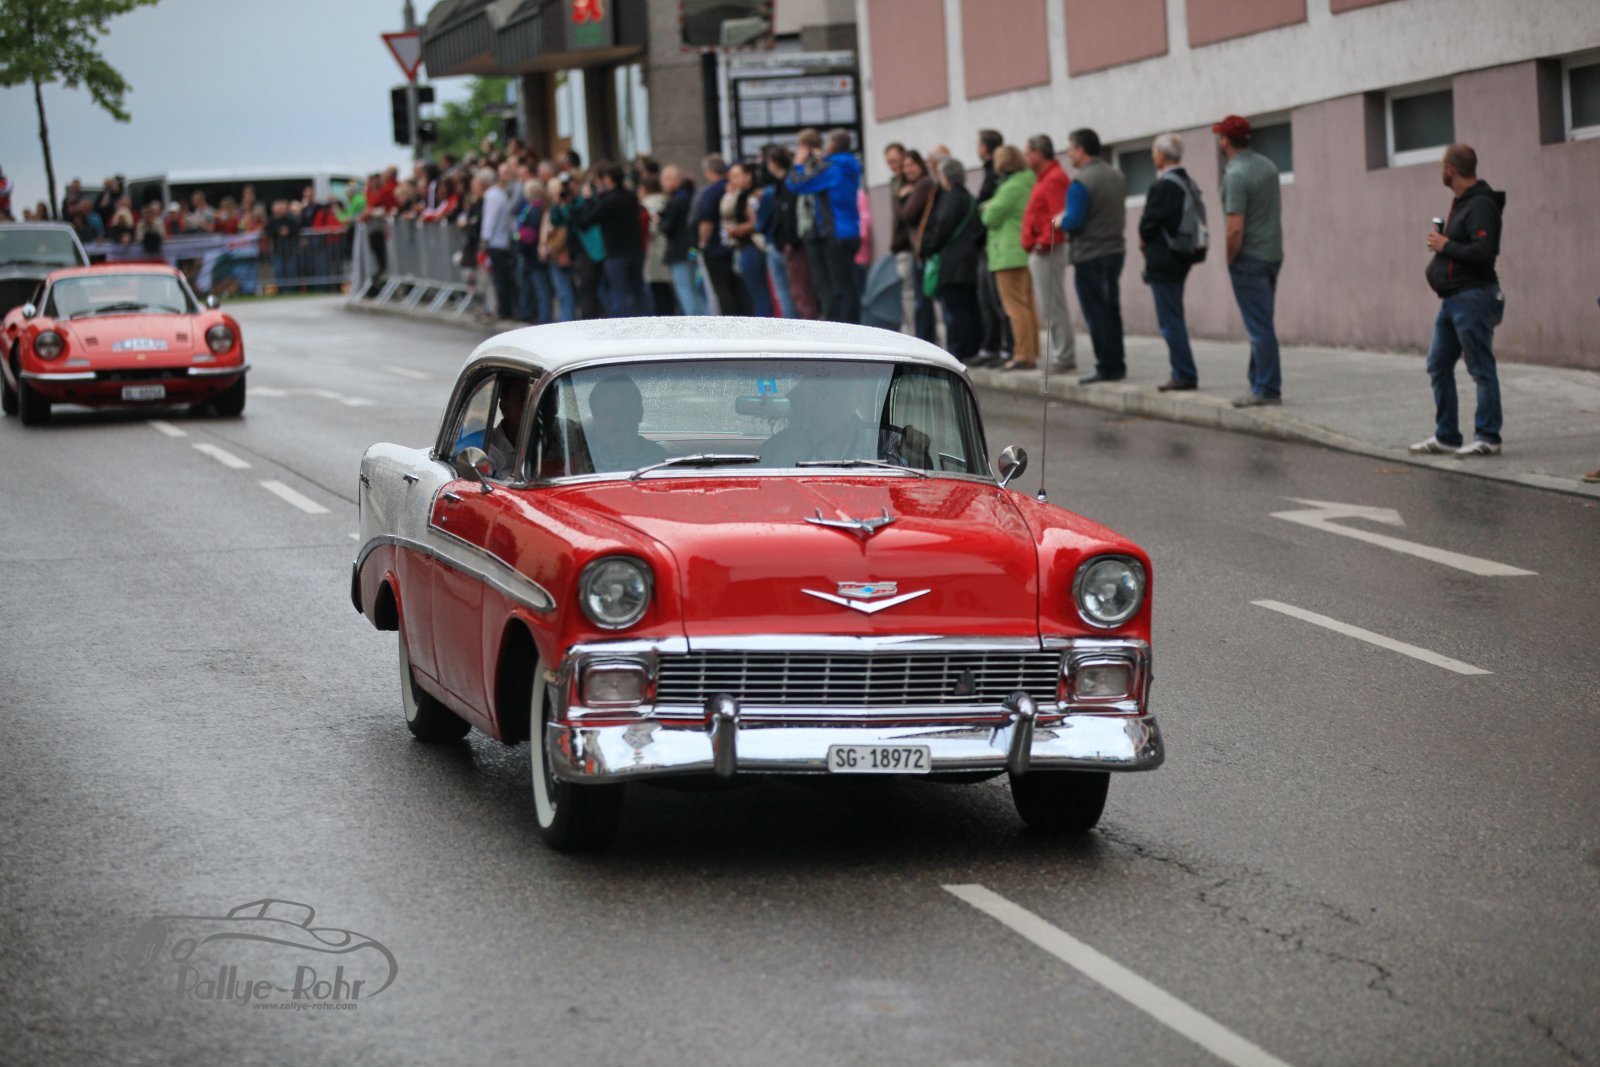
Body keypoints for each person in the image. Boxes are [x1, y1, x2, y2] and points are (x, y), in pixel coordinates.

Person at [1408, 144, 1507, 457]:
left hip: (1474, 297)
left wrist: (1445, 245)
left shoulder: (1481, 205)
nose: (1441, 171)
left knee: (1480, 369)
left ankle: (1488, 436)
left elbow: (1484, 253)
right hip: (1452, 300)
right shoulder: (1462, 203)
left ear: (1450, 169)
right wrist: (1444, 245)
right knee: (1438, 365)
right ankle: (1447, 436)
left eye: (1442, 166)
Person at [1214, 114, 1284, 407]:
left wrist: (1230, 258)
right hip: (1272, 254)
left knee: (1258, 328)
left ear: (1226, 141)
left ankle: (1266, 388)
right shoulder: (1268, 166)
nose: (1219, 141)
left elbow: (1235, 228)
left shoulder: (1235, 175)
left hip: (1249, 258)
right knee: (1262, 321)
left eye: (1220, 136)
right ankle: (1258, 381)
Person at [1056, 128, 1127, 384]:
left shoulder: (1081, 182)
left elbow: (1074, 221)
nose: (1069, 154)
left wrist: (1060, 221)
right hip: (1114, 250)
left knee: (1096, 313)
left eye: (1070, 148)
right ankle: (1117, 363)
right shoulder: (1116, 175)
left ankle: (1105, 366)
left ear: (1081, 150)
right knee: (1111, 310)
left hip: (1089, 254)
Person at [1139, 133, 1204, 391]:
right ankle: (1183, 371)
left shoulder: (1163, 186)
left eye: (1154, 151)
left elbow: (1148, 226)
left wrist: (1143, 242)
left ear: (1162, 155)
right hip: (1182, 255)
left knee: (1170, 320)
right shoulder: (1188, 182)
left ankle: (1184, 373)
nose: (1152, 156)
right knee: (1174, 314)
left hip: (1164, 259)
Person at [787, 128, 864, 323]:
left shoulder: (833, 169)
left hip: (835, 231)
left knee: (837, 288)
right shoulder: (850, 165)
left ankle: (844, 328)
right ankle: (852, 324)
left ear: (832, 146)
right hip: (852, 230)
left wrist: (799, 164)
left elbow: (797, 184)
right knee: (848, 285)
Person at [920, 157, 984, 363]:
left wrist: (929, 247)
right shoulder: (970, 198)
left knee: (955, 310)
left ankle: (958, 351)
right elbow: (978, 231)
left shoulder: (949, 199)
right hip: (969, 261)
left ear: (946, 177)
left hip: (951, 264)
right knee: (970, 306)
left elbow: (941, 229)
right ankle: (973, 348)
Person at [980, 145, 1038, 371]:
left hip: (1007, 253)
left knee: (1014, 307)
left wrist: (986, 207)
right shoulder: (1028, 181)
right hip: (1021, 251)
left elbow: (990, 216)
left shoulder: (1010, 187)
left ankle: (1022, 355)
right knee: (1026, 305)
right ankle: (1030, 352)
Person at [1022, 134, 1075, 372]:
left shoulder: (1053, 179)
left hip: (1048, 250)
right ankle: (1062, 354)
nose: (1025, 158)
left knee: (1053, 304)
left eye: (1028, 153)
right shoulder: (1045, 178)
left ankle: (1064, 356)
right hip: (1042, 249)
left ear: (1038, 153)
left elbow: (1058, 215)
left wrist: (1043, 242)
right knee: (1049, 304)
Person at [577, 161, 647, 318]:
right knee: (638, 290)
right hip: (635, 249)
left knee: (619, 292)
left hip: (616, 252)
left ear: (609, 179)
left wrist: (588, 199)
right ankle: (645, 319)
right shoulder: (631, 196)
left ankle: (622, 322)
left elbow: (588, 220)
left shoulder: (609, 201)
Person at [759, 375, 876, 466]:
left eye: (846, 389)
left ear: (858, 398)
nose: (839, 398)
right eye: (829, 390)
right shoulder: (779, 448)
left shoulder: (878, 440)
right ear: (809, 399)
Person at [762, 145, 817, 319]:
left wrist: (790, 241)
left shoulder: (789, 184)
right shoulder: (783, 184)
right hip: (787, 243)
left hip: (792, 245)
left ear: (773, 163)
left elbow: (790, 215)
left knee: (799, 291)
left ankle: (802, 327)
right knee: (794, 291)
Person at [973, 129, 1012, 365]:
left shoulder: (996, 176)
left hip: (994, 246)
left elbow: (986, 210)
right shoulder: (992, 174)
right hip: (989, 244)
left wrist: (977, 234)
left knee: (998, 301)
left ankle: (1004, 347)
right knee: (989, 300)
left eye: (979, 144)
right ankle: (994, 346)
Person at [894, 149, 939, 341]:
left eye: (911, 165)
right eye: (905, 166)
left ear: (921, 165)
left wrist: (902, 197)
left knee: (922, 298)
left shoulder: (923, 184)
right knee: (919, 296)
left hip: (923, 247)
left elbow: (907, 214)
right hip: (917, 246)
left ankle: (924, 338)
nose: (908, 169)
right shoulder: (913, 186)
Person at [585, 374, 666, 471]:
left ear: (638, 413)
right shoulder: (581, 462)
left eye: (620, 411)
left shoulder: (664, 461)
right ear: (595, 420)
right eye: (604, 413)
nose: (612, 421)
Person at [695, 154, 741, 315]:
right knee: (737, 289)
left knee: (721, 290)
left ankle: (729, 322)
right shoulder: (733, 187)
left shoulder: (711, 191)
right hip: (736, 244)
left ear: (710, 171)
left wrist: (703, 244)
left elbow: (706, 222)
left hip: (716, 247)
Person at [724, 161, 771, 317]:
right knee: (752, 293)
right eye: (731, 177)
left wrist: (737, 229)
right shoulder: (739, 195)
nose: (733, 180)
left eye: (737, 176)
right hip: (743, 247)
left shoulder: (754, 195)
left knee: (759, 292)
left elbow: (756, 222)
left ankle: (764, 321)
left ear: (748, 176)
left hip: (753, 246)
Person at [658, 165, 703, 315]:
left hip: (680, 251)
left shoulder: (677, 201)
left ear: (675, 180)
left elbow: (668, 227)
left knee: (685, 289)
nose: (662, 183)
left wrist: (660, 220)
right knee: (696, 288)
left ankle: (694, 322)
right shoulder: (691, 196)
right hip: (692, 250)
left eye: (665, 179)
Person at [884, 141, 917, 333]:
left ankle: (911, 332)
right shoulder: (894, 183)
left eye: (895, 161)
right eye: (889, 162)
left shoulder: (911, 184)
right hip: (900, 245)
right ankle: (909, 329)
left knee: (910, 292)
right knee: (905, 290)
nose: (893, 166)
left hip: (910, 244)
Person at [481, 162, 518, 320]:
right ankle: (505, 308)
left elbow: (490, 219)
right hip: (502, 241)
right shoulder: (500, 194)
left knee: (500, 278)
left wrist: (485, 239)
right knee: (503, 277)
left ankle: (504, 310)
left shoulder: (493, 195)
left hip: (496, 242)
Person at [639, 168, 676, 316]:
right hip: (668, 247)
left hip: (654, 250)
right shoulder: (666, 200)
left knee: (658, 290)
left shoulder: (646, 205)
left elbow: (651, 229)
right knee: (669, 290)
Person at [515, 178, 551, 323]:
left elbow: (530, 233)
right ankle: (532, 313)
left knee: (541, 287)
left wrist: (521, 241)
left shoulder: (536, 210)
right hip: (530, 253)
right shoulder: (531, 208)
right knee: (534, 286)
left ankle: (544, 317)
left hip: (533, 253)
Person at [485, 378, 530, 477]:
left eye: (548, 397)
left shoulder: (564, 437)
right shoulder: (486, 450)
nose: (538, 407)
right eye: (524, 399)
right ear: (504, 407)